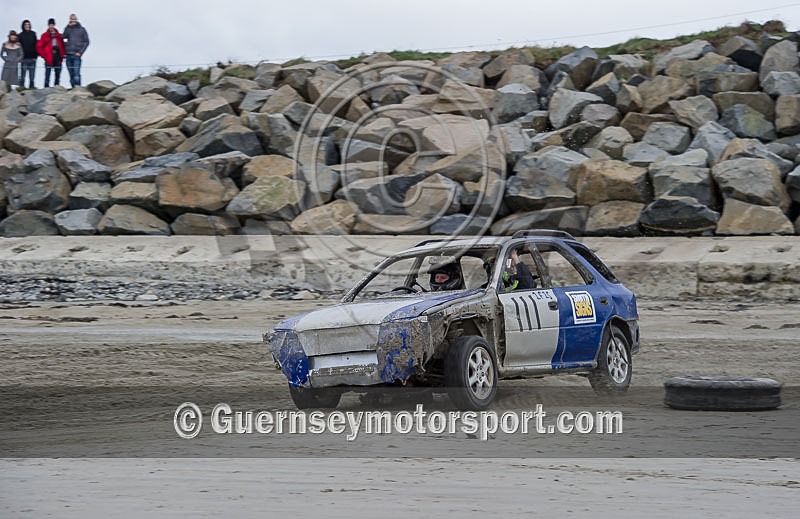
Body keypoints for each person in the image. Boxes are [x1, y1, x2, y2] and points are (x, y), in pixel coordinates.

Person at [36, 18, 65, 87]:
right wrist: (44, 55)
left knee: (57, 74)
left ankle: (57, 87)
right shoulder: (44, 35)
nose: (51, 26)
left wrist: (63, 55)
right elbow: (39, 46)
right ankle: (46, 87)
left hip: (58, 57)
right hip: (48, 57)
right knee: (47, 74)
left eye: (52, 25)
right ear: (48, 25)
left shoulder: (59, 36)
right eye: (50, 25)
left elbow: (63, 46)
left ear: (54, 25)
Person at [62, 13, 89, 87]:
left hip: (76, 55)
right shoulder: (68, 29)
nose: (73, 21)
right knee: (71, 74)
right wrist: (67, 27)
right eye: (71, 19)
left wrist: (80, 52)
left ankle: (78, 89)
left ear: (77, 20)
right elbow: (62, 38)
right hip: (68, 54)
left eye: (74, 19)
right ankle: (73, 89)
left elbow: (86, 42)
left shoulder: (82, 29)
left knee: (76, 74)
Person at [18, 20, 37, 88]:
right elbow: (18, 47)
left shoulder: (33, 34)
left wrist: (35, 57)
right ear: (23, 26)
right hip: (24, 59)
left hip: (32, 58)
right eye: (25, 24)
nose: (27, 25)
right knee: (22, 76)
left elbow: (36, 45)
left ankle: (31, 88)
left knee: (32, 77)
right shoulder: (20, 35)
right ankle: (21, 88)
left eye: (28, 24)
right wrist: (19, 58)